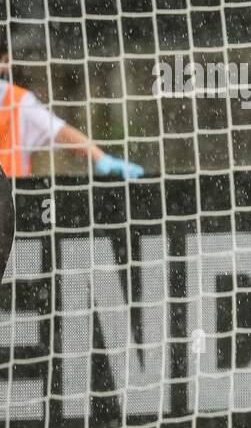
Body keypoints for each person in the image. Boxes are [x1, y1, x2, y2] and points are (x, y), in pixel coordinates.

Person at [0, 33, 144, 278]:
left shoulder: (15, 100)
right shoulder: (15, 99)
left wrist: (101, 158)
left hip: (9, 213)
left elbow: (59, 132)